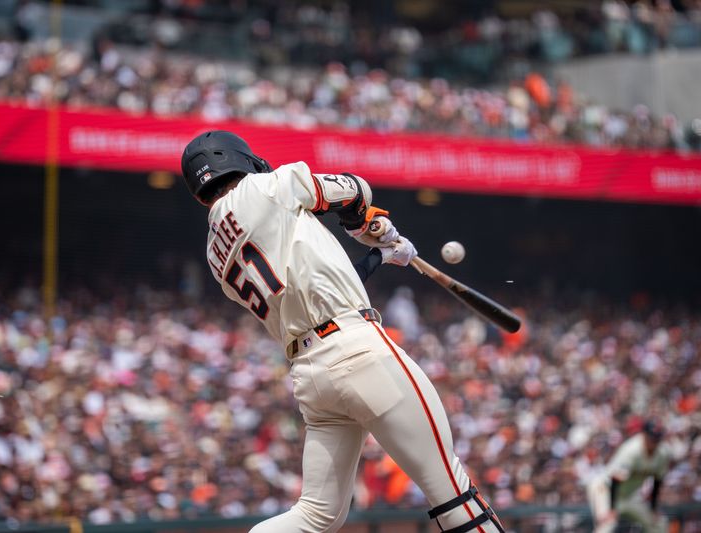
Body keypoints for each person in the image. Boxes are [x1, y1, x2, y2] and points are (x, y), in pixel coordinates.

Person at [180, 130, 504, 533]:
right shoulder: (267, 187)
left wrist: (381, 252)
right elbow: (354, 188)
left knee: (316, 516)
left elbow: (323, 279)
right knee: (453, 492)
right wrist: (363, 222)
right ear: (240, 160)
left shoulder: (215, 252)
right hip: (357, 349)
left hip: (312, 375)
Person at [587, 420, 671, 533]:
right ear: (644, 435)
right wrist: (612, 509)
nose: (654, 442)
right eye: (652, 437)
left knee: (658, 523)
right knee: (608, 523)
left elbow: (657, 481)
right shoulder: (632, 450)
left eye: (657, 438)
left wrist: (653, 509)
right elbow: (616, 478)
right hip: (606, 490)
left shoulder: (662, 453)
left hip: (629, 495)